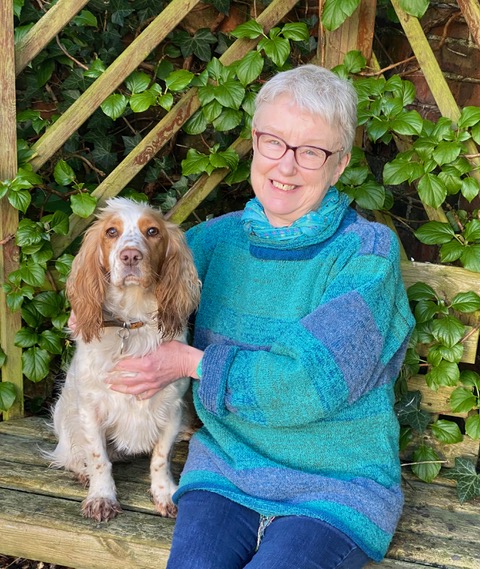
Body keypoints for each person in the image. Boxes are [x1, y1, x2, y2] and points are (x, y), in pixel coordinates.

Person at [106, 64, 415, 568]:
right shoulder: (213, 242)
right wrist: (94, 313)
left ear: (339, 165)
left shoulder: (366, 254)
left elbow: (305, 384)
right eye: (274, 142)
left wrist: (195, 363)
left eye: (311, 151)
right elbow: (131, 291)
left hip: (335, 488)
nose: (286, 166)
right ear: (254, 142)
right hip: (227, 471)